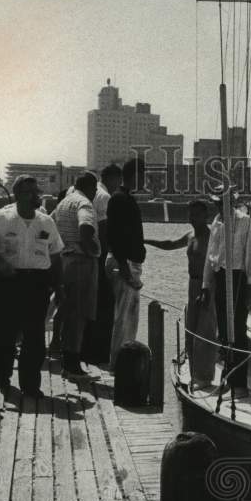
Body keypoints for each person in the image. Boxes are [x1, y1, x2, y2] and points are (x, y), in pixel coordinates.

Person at [0, 175, 64, 398]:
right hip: (8, 282)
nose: (38, 196)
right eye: (32, 192)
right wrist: (1, 264)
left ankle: (31, 385)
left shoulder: (46, 222)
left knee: (34, 336)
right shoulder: (1, 219)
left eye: (37, 191)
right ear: (19, 195)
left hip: (37, 283)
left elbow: (55, 255)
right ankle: (3, 381)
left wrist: (59, 285)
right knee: (5, 334)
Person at [145, 199, 218, 389]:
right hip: (192, 284)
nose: (192, 218)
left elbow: (217, 266)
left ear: (206, 216)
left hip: (207, 286)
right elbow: (170, 244)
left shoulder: (212, 237)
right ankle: (194, 373)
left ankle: (205, 376)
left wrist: (207, 289)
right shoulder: (190, 235)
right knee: (190, 330)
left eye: (196, 214)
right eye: (190, 214)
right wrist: (146, 240)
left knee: (205, 332)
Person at [202, 189, 251, 393]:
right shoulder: (217, 223)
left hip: (238, 278)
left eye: (224, 203)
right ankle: (228, 377)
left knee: (237, 329)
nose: (221, 207)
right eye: (218, 204)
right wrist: (205, 286)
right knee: (225, 329)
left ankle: (239, 383)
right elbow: (211, 256)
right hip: (220, 277)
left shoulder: (246, 222)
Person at [52, 172, 101, 381]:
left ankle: (66, 361)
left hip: (64, 261)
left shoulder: (64, 203)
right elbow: (85, 227)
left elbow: (50, 222)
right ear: (93, 189)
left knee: (67, 311)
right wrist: (91, 250)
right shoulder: (84, 203)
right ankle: (73, 366)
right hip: (81, 262)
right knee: (79, 315)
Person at [106, 158, 147, 368]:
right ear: (135, 175)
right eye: (143, 175)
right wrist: (125, 269)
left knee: (127, 319)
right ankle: (118, 364)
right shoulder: (120, 200)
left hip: (127, 263)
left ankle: (119, 361)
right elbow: (114, 236)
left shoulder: (124, 198)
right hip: (125, 264)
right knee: (123, 319)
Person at [81, 163, 122, 366]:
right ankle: (98, 353)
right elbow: (104, 231)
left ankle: (83, 349)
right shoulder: (105, 197)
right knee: (103, 305)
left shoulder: (88, 192)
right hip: (98, 254)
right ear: (113, 179)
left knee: (87, 304)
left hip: (84, 254)